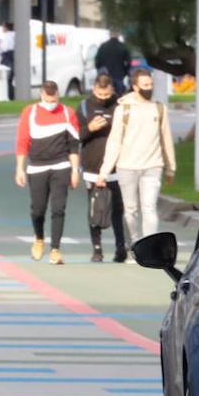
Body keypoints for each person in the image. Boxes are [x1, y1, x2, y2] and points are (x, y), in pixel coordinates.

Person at [97, 67, 175, 258]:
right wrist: (104, 171)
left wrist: (171, 167)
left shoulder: (159, 108)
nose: (149, 88)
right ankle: (134, 243)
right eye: (145, 85)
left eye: (150, 85)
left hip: (153, 166)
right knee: (130, 210)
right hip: (127, 166)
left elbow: (166, 138)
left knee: (149, 207)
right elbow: (115, 141)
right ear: (135, 86)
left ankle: (149, 249)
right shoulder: (123, 109)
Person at [14, 80, 80, 265]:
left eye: (54, 98)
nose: (51, 102)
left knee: (58, 209)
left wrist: (75, 170)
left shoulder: (67, 113)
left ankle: (56, 249)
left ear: (58, 96)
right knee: (38, 209)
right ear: (42, 95)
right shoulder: (30, 112)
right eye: (47, 98)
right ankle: (39, 239)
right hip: (37, 167)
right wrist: (20, 167)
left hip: (61, 166)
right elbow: (22, 141)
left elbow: (74, 145)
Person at [77, 74, 126, 262]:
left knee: (117, 210)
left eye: (106, 94)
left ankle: (120, 247)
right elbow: (75, 136)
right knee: (95, 209)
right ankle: (96, 248)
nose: (103, 98)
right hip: (91, 166)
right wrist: (90, 128)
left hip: (117, 167)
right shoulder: (84, 107)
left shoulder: (119, 106)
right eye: (99, 94)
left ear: (112, 91)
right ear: (94, 89)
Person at [93, 30, 131, 95]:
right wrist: (125, 72)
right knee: (119, 93)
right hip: (119, 73)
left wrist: (99, 69)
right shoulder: (123, 46)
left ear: (110, 35)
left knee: (107, 92)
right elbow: (128, 61)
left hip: (106, 73)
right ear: (118, 35)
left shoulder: (103, 46)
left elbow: (97, 60)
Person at [0, 22, 15, 101]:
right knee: (10, 79)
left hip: (7, 58)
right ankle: (12, 96)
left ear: (6, 28)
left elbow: (4, 48)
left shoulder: (7, 36)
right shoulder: (15, 35)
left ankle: (10, 96)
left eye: (3, 27)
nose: (2, 29)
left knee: (7, 79)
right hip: (13, 58)